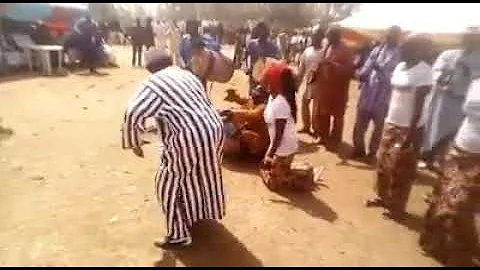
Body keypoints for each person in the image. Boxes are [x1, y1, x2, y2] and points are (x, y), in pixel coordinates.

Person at [121, 49, 225, 249]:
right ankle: (198, 215)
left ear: (150, 69)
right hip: (214, 129)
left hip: (188, 137)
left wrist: (134, 141)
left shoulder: (154, 82)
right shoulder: (187, 75)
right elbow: (184, 108)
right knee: (200, 174)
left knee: (166, 183)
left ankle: (178, 235)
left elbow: (133, 112)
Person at [366, 34, 434, 219]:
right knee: (383, 162)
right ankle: (381, 196)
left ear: (418, 50)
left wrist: (411, 135)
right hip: (391, 122)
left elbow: (419, 106)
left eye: (405, 48)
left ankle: (396, 207)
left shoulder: (425, 72)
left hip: (408, 127)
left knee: (401, 167)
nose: (401, 51)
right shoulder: (400, 67)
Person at [420, 77, 480, 266]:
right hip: (458, 148)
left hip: (477, 158)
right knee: (441, 197)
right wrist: (445, 138)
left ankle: (461, 256)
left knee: (460, 205)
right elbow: (465, 115)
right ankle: (434, 244)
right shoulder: (476, 83)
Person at [422, 28, 480, 171]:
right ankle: (429, 157)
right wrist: (441, 78)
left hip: (466, 102)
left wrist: (469, 73)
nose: (469, 40)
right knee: (435, 130)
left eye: (473, 37)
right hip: (443, 100)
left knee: (455, 133)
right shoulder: (448, 54)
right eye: (467, 36)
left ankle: (447, 163)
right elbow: (436, 71)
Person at [352, 26, 402, 160]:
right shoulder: (377, 50)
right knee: (359, 125)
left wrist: (381, 71)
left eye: (392, 35)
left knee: (378, 128)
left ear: (397, 37)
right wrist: (359, 74)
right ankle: (358, 150)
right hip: (368, 92)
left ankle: (372, 153)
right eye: (387, 34)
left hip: (383, 96)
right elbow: (366, 68)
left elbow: (396, 78)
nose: (388, 37)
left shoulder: (400, 55)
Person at [260, 62, 299, 190]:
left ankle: (292, 176)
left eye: (266, 80)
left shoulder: (280, 103)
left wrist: (269, 154)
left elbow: (279, 135)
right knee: (266, 171)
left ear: (273, 83)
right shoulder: (273, 97)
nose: (263, 82)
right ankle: (285, 171)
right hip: (279, 144)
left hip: (284, 147)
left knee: (273, 183)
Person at [314, 26, 354, 150]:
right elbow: (321, 62)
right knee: (323, 114)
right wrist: (316, 71)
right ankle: (323, 136)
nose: (328, 38)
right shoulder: (327, 47)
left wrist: (333, 65)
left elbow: (349, 70)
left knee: (337, 115)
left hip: (338, 89)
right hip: (324, 87)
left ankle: (336, 138)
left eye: (330, 36)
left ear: (336, 36)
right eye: (327, 36)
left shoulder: (346, 49)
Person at [221, 86, 270, 158]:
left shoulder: (264, 108)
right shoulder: (255, 102)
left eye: (255, 97)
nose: (252, 99)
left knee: (222, 137)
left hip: (253, 146)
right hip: (247, 134)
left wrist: (233, 113)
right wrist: (236, 98)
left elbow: (251, 114)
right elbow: (246, 101)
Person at [297, 25, 326, 136]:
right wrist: (297, 85)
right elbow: (301, 70)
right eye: (313, 35)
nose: (314, 38)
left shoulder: (324, 52)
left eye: (317, 35)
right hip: (309, 83)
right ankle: (306, 126)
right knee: (304, 103)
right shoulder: (307, 51)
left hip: (320, 85)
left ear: (321, 37)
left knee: (316, 110)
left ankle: (317, 131)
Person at [246, 21, 281, 96]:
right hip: (254, 76)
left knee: (265, 97)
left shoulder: (273, 47)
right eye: (260, 30)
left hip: (267, 78)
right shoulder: (252, 44)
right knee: (253, 97)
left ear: (267, 33)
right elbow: (248, 57)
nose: (262, 33)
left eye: (264, 31)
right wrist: (248, 68)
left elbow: (276, 62)